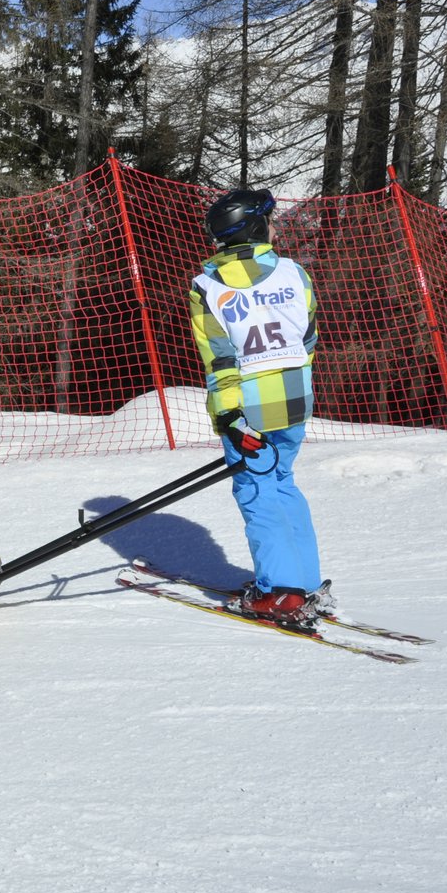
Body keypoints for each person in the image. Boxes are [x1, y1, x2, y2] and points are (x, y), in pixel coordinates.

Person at [190, 188, 326, 622]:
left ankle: (281, 593)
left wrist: (229, 415)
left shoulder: (207, 285)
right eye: (270, 219)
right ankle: (304, 582)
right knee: (282, 481)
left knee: (256, 491)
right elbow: (308, 339)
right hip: (295, 399)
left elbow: (220, 359)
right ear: (255, 226)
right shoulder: (295, 273)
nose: (275, 225)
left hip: (247, 408)